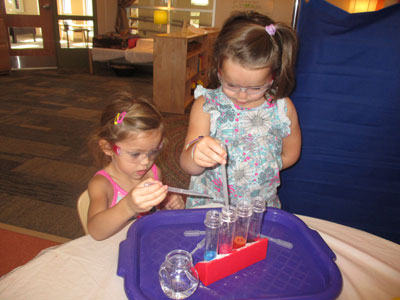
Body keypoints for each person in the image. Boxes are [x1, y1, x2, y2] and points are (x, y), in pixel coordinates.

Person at [180, 11, 301, 209]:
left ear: (273, 76)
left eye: (255, 88)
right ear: (219, 70)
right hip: (212, 204)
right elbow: (187, 165)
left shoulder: (282, 108)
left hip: (260, 205)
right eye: (232, 85)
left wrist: (265, 168)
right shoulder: (206, 106)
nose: (242, 95)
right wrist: (195, 154)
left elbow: (291, 153)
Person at [87, 93, 184, 240]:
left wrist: (167, 204)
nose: (146, 162)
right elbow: (95, 232)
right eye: (135, 154)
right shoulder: (101, 184)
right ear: (108, 148)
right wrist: (128, 206)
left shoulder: (153, 172)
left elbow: (155, 211)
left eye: (153, 151)